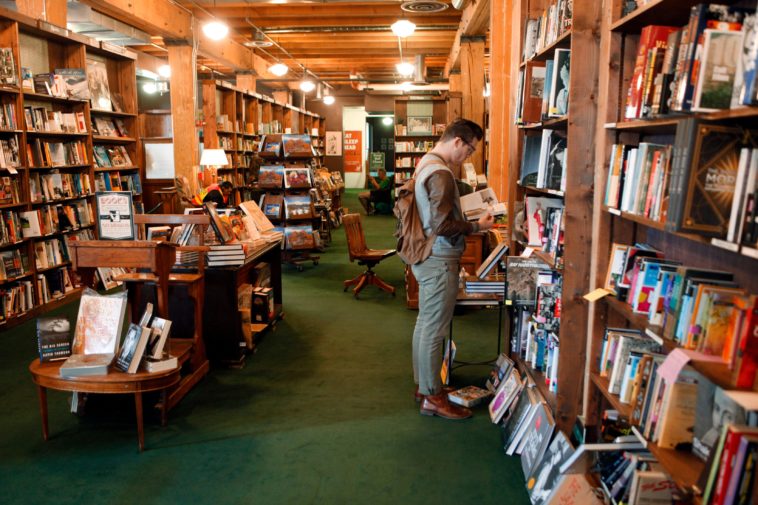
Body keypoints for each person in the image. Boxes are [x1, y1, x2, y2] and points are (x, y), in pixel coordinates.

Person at [410, 118, 494, 420]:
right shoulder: (442, 173)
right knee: (434, 329)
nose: (467, 156)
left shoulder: (426, 163)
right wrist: (476, 225)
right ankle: (432, 396)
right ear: (458, 141)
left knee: (425, 324)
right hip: (439, 258)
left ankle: (425, 386)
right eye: (469, 150)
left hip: (425, 254)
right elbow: (442, 225)